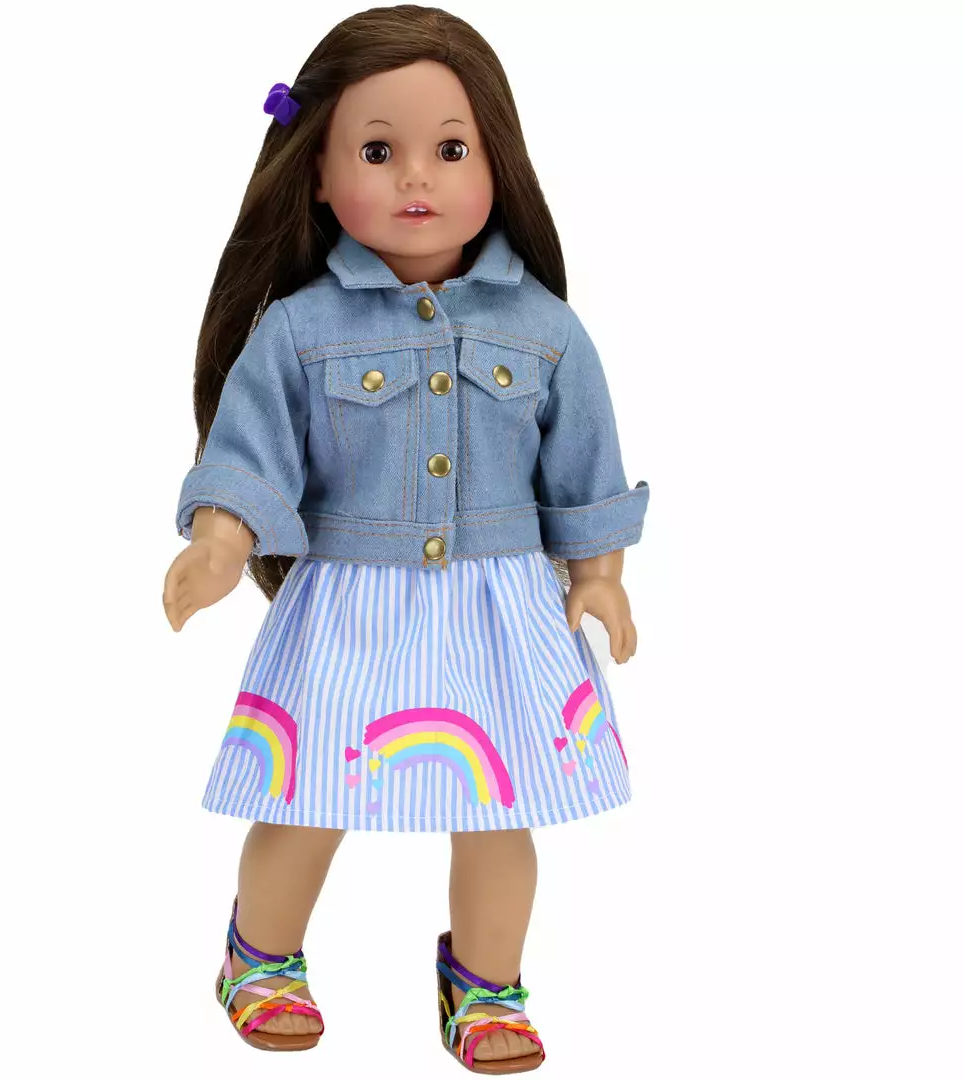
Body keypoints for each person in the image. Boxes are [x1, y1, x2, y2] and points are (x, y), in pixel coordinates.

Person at [162, 5, 650, 1072]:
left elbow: (586, 464)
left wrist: (600, 574)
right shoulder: (299, 329)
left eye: (451, 149)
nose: (416, 176)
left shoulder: (546, 329)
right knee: (306, 797)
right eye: (378, 151)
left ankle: (486, 980)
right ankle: (261, 953)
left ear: (499, 162)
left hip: (501, 609)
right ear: (319, 173)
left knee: (501, 808)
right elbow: (251, 449)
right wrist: (222, 538)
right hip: (352, 602)